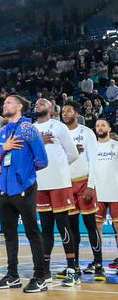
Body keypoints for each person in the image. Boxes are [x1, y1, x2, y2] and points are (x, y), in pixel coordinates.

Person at [0, 95, 48, 292]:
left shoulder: (28, 129)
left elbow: (42, 160)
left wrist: (23, 172)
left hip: (24, 188)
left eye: (9, 102)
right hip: (4, 191)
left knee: (32, 232)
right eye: (4, 102)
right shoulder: (0, 133)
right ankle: (12, 276)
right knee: (10, 235)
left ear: (20, 106)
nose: (4, 104)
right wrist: (4, 150)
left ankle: (40, 276)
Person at [33, 98, 79, 285]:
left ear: (51, 110)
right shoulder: (31, 129)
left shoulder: (59, 127)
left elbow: (73, 154)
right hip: (40, 184)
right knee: (46, 229)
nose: (38, 105)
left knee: (63, 225)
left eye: (42, 103)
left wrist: (59, 168)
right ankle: (45, 271)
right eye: (36, 104)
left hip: (59, 183)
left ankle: (72, 270)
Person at [60, 102, 105, 280]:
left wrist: (91, 185)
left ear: (77, 113)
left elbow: (94, 160)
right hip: (66, 185)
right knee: (72, 229)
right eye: (63, 111)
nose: (65, 113)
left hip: (84, 183)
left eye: (68, 110)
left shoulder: (86, 133)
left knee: (90, 225)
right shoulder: (60, 134)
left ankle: (99, 265)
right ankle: (74, 266)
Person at [94, 118, 118, 269]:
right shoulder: (91, 147)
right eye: (97, 125)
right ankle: (98, 260)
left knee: (117, 226)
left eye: (103, 125)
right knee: (97, 228)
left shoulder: (116, 146)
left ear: (109, 128)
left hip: (115, 192)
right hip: (97, 193)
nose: (100, 127)